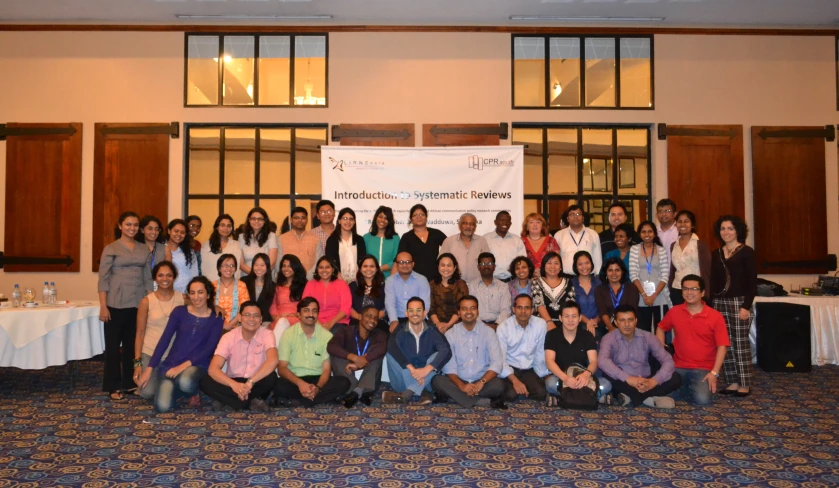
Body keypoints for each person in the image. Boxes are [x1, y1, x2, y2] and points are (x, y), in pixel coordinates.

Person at [137, 277, 225, 413]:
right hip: (172, 364)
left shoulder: (217, 318)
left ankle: (192, 391)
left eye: (200, 292)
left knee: (186, 381)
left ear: (208, 294)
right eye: (192, 292)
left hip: (197, 365)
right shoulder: (179, 312)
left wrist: (182, 367)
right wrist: (149, 370)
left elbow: (208, 350)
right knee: (162, 408)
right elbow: (164, 340)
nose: (196, 297)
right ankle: (181, 392)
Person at [98, 211, 154, 401]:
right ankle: (113, 386)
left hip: (137, 304)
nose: (132, 228)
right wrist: (103, 306)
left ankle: (130, 384)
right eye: (128, 224)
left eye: (136, 225)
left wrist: (150, 302)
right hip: (114, 305)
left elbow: (148, 278)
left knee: (133, 346)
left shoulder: (144, 249)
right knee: (113, 348)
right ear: (120, 226)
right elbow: (103, 279)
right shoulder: (111, 248)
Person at [657, 275, 729, 406]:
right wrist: (661, 347)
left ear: (702, 292)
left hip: (703, 368)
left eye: (694, 289)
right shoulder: (675, 311)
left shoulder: (715, 316)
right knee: (661, 391)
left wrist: (714, 373)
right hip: (678, 366)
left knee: (703, 401)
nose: (689, 292)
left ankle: (686, 388)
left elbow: (722, 346)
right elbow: (661, 328)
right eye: (685, 289)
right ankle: (687, 387)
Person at [272, 297, 352, 407]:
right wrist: (300, 384)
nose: (311, 314)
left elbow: (326, 370)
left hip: (318, 379)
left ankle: (298, 402)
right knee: (278, 385)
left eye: (314, 311)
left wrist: (318, 388)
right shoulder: (288, 334)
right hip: (295, 379)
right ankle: (321, 399)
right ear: (299, 315)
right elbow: (282, 368)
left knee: (344, 383)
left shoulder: (326, 336)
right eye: (306, 310)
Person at [199, 301, 278, 411]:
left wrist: (250, 382)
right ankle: (249, 402)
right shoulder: (228, 337)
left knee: (272, 377)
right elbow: (213, 368)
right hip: (233, 381)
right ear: (240, 317)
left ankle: (228, 401)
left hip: (256, 381)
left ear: (261, 319)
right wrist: (234, 385)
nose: (251, 319)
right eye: (247, 315)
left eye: (256, 316)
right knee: (205, 381)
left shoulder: (267, 334)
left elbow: (273, 360)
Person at [598, 304, 681, 408]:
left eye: (630, 320)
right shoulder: (609, 338)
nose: (627, 324)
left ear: (636, 321)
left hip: (647, 379)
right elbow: (602, 361)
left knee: (676, 378)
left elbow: (668, 361)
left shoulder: (648, 337)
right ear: (615, 322)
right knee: (608, 374)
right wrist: (628, 378)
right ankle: (649, 398)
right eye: (622, 320)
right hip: (623, 380)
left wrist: (653, 381)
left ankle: (632, 397)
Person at [431, 296, 507, 409]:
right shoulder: (450, 334)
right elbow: (449, 367)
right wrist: (462, 386)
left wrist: (481, 383)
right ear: (459, 313)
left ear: (477, 311)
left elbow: (496, 363)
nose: (469, 312)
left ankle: (454, 397)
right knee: (437, 381)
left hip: (482, 381)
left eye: (472, 308)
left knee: (499, 385)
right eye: (464, 309)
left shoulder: (489, 332)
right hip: (458, 380)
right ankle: (483, 402)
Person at [710, 215, 757, 397]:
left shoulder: (746, 252)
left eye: (730, 228)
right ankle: (732, 381)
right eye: (723, 228)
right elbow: (714, 280)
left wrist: (746, 306)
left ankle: (745, 383)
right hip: (719, 303)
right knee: (724, 342)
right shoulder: (717, 253)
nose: (726, 232)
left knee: (740, 343)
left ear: (737, 231)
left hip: (740, 303)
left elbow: (752, 282)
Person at [383, 297, 452, 405]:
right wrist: (412, 369)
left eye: (418, 310)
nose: (415, 313)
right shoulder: (400, 329)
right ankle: (423, 392)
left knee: (439, 354)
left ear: (425, 313)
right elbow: (392, 347)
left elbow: (446, 350)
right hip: (402, 382)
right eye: (411, 310)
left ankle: (408, 393)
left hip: (427, 379)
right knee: (390, 353)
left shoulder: (432, 330)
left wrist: (426, 370)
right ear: (406, 313)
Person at [133, 261, 185, 400]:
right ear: (155, 278)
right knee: (147, 392)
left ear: (174, 277)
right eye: (160, 275)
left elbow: (202, 305)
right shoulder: (146, 301)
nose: (165, 279)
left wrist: (216, 307)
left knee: (182, 385)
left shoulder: (183, 299)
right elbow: (139, 333)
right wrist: (137, 364)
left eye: (169, 275)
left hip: (174, 356)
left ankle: (167, 387)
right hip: (150, 353)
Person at [544, 301, 612, 405]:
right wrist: (565, 378)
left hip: (583, 378)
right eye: (566, 316)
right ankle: (594, 397)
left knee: (606, 384)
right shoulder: (552, 335)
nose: (570, 320)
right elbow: (549, 361)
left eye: (574, 316)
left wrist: (586, 375)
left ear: (580, 318)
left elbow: (594, 361)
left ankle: (560, 399)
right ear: (560, 318)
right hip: (561, 377)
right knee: (550, 383)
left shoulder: (587, 336)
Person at [327, 304, 388, 407]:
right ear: (360, 317)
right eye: (369, 316)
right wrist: (353, 357)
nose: (372, 320)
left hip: (369, 375)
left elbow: (382, 349)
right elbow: (331, 347)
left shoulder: (380, 334)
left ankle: (356, 393)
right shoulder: (345, 331)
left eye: (376, 318)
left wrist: (361, 362)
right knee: (336, 355)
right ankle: (359, 391)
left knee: (377, 355)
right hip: (348, 374)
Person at [496, 294, 550, 403]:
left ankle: (524, 389)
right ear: (514, 309)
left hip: (528, 369)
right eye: (519, 307)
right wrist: (515, 380)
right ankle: (520, 389)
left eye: (527, 308)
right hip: (510, 369)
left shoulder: (540, 324)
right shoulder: (503, 327)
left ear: (532, 310)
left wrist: (542, 377)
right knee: (511, 395)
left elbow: (540, 354)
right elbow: (500, 360)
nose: (523, 311)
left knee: (541, 393)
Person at [629, 221, 671, 333]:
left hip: (660, 296)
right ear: (639, 234)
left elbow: (665, 275)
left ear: (655, 233)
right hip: (641, 297)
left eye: (650, 231)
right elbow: (633, 275)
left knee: (660, 330)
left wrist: (654, 295)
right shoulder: (634, 249)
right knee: (643, 331)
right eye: (643, 232)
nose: (647, 234)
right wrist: (644, 295)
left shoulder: (661, 250)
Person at [669, 210, 712, 306]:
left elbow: (707, 271)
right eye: (679, 221)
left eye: (686, 221)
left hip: (695, 290)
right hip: (677, 289)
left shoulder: (700, 244)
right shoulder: (673, 245)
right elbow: (673, 269)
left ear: (692, 225)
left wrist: (707, 292)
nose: (682, 224)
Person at [397, 204, 447, 280]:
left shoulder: (436, 233)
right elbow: (399, 259)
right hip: (414, 279)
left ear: (426, 217)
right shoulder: (406, 237)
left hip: (436, 279)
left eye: (421, 214)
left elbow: (450, 246)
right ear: (411, 219)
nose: (419, 217)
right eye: (415, 215)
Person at [302, 256, 352, 333]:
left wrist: (330, 324)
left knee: (333, 339)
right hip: (314, 321)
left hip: (338, 322)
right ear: (317, 270)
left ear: (333, 269)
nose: (324, 270)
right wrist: (317, 323)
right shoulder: (310, 284)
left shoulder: (342, 284)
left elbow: (346, 308)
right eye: (321, 267)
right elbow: (305, 306)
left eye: (327, 267)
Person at [385, 251, 432, 332]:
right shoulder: (390, 281)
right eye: (401, 262)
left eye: (408, 262)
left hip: (418, 317)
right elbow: (390, 302)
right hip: (398, 318)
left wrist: (416, 320)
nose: (404, 265)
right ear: (396, 265)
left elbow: (425, 304)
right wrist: (394, 320)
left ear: (413, 264)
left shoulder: (422, 280)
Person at [440, 212, 491, 284]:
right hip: (454, 285)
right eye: (465, 223)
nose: (468, 226)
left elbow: (488, 263)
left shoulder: (482, 241)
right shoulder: (449, 241)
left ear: (475, 227)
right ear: (459, 225)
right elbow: (440, 264)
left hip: (477, 285)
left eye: (471, 224)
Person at [595, 257, 640, 335]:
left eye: (617, 270)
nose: (614, 273)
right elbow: (603, 312)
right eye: (610, 270)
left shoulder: (631, 288)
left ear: (622, 272)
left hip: (628, 326)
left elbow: (632, 311)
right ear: (605, 272)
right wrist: (611, 328)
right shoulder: (599, 290)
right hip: (607, 328)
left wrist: (622, 330)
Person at [468, 252, 512, 330]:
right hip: (476, 326)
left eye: (490, 263)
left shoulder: (503, 286)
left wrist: (497, 325)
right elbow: (471, 309)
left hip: (499, 327)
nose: (486, 266)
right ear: (478, 267)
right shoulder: (472, 286)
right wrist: (482, 326)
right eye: (483, 264)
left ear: (494, 267)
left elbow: (506, 310)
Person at [532, 251, 575, 329]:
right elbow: (539, 305)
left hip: (564, 324)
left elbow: (570, 305)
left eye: (556, 263)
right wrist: (549, 322)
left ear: (561, 267)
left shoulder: (568, 282)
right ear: (544, 266)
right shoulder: (536, 282)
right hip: (542, 323)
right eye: (549, 263)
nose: (553, 266)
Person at [555, 204, 602, 275]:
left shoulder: (593, 234)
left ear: (583, 217)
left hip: (588, 277)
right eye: (572, 214)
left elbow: (598, 258)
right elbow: (556, 258)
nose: (575, 217)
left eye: (578, 214)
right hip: (566, 277)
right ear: (567, 218)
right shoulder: (559, 235)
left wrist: (598, 275)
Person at [429, 253, 469, 334]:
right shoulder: (432, 284)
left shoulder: (461, 284)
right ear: (438, 267)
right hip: (435, 325)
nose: (446, 268)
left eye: (449, 265)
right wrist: (438, 324)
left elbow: (460, 309)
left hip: (457, 325)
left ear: (454, 268)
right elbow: (431, 308)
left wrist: (447, 325)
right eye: (442, 265)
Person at [278, 206, 323, 279]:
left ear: (307, 220)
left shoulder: (316, 239)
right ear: (291, 220)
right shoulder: (281, 239)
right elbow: (279, 262)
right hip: (288, 281)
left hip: (309, 281)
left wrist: (307, 277)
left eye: (303, 218)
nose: (300, 220)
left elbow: (319, 262)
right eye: (296, 218)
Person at [325, 207, 367, 283]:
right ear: (339, 221)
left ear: (354, 222)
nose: (348, 221)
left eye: (351, 219)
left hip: (357, 282)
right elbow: (329, 261)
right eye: (345, 218)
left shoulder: (359, 240)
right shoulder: (332, 240)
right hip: (337, 280)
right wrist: (339, 277)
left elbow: (362, 260)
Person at [483, 211, 526, 283]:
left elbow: (522, 261)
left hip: (512, 281)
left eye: (507, 220)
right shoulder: (485, 239)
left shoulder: (516, 240)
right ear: (495, 222)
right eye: (501, 220)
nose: (505, 223)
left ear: (510, 224)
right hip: (492, 281)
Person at [212, 253, 250, 331]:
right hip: (214, 326)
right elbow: (208, 309)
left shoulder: (241, 285)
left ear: (236, 269)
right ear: (219, 268)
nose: (229, 269)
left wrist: (230, 325)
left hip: (236, 327)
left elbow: (245, 309)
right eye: (225, 265)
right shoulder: (213, 286)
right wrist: (222, 325)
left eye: (232, 266)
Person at [349, 255, 388, 332]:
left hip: (378, 322)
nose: (368, 269)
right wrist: (359, 317)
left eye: (372, 266)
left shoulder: (384, 286)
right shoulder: (353, 286)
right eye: (365, 266)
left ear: (377, 269)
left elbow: (387, 306)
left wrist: (375, 317)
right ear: (360, 269)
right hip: (357, 321)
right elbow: (348, 306)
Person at [270, 254, 307, 333]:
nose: (286, 269)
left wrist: (296, 315)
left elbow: (307, 306)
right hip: (279, 319)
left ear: (296, 267)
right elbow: (273, 305)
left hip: (297, 319)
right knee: (281, 322)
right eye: (284, 266)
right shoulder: (279, 286)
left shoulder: (304, 286)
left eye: (290, 266)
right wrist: (276, 317)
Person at [238, 207, 280, 277]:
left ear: (265, 221)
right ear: (249, 220)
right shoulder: (242, 237)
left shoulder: (271, 236)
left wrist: (260, 276)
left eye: (260, 219)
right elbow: (241, 264)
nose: (256, 221)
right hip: (247, 277)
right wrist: (254, 275)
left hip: (266, 278)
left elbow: (271, 263)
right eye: (253, 219)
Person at [571, 251, 603, 339]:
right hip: (577, 324)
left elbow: (604, 307)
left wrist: (595, 321)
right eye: (580, 264)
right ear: (576, 266)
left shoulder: (599, 283)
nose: (584, 267)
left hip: (599, 323)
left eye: (587, 263)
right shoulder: (571, 284)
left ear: (591, 264)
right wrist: (588, 322)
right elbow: (571, 308)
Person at [201, 214, 242, 283]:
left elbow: (238, 268)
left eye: (229, 226)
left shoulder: (237, 245)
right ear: (217, 227)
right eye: (222, 225)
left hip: (231, 286)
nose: (226, 228)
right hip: (210, 286)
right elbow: (204, 268)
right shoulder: (206, 246)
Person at [363, 205, 400, 279]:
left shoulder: (395, 238)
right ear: (376, 217)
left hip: (389, 278)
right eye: (380, 216)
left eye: (386, 218)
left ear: (390, 221)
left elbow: (397, 259)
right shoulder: (366, 237)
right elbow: (363, 258)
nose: (382, 220)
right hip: (369, 278)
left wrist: (380, 268)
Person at [165, 218, 201, 294]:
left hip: (186, 294)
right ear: (169, 231)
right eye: (176, 231)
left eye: (182, 232)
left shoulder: (190, 252)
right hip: (167, 293)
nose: (179, 234)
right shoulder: (160, 249)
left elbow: (194, 274)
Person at [241, 252, 275, 328]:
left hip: (263, 321)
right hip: (245, 319)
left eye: (262, 265)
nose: (259, 268)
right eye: (256, 265)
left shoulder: (272, 286)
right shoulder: (243, 282)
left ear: (268, 267)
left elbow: (268, 308)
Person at [656, 199, 679, 264]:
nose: (663, 214)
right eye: (660, 211)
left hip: (676, 272)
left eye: (668, 211)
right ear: (657, 215)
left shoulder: (680, 231)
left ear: (675, 214)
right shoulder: (653, 232)